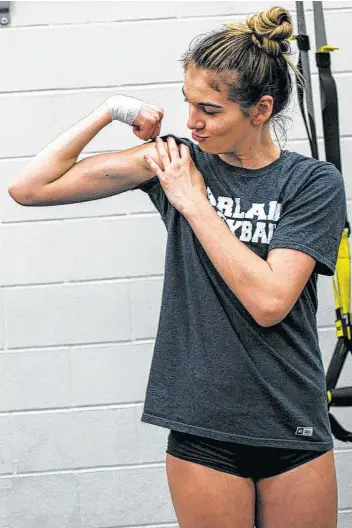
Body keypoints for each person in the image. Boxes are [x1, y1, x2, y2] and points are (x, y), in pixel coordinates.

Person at [8, 6, 346, 528]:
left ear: (261, 109)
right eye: (188, 103)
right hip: (202, 421)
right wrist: (111, 110)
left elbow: (270, 301)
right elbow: (30, 188)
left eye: (210, 110)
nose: (192, 122)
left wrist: (194, 204)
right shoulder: (175, 162)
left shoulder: (311, 184)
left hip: (291, 418)